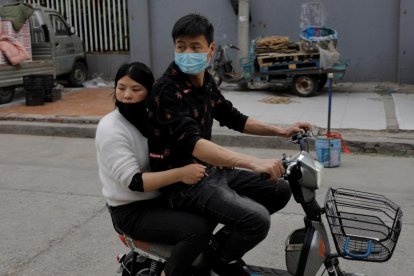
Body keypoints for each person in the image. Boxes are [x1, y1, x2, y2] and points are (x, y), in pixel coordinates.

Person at [147, 14, 313, 276]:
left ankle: (216, 246)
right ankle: (214, 261)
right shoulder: (167, 89)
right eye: (181, 46)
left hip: (209, 172)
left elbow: (234, 118)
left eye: (195, 47)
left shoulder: (205, 81)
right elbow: (194, 145)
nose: (187, 53)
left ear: (210, 50)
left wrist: (282, 131)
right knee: (256, 220)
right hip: (182, 183)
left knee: (279, 191)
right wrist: (253, 161)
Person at [95, 62, 215, 276]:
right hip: (131, 209)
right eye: (121, 88)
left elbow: (183, 143)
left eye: (136, 89)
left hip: (161, 197)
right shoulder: (111, 128)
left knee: (217, 205)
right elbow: (134, 181)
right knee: (197, 230)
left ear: (150, 91)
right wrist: (181, 173)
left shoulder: (153, 117)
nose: (127, 95)